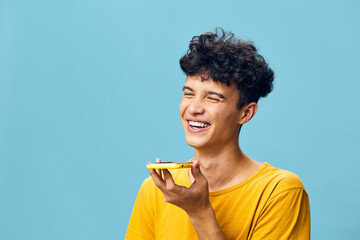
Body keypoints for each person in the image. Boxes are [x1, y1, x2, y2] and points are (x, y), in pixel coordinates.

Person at [125, 28, 310, 240]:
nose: (194, 108)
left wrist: (200, 212)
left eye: (213, 98)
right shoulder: (158, 189)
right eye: (188, 94)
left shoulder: (279, 191)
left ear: (246, 113)